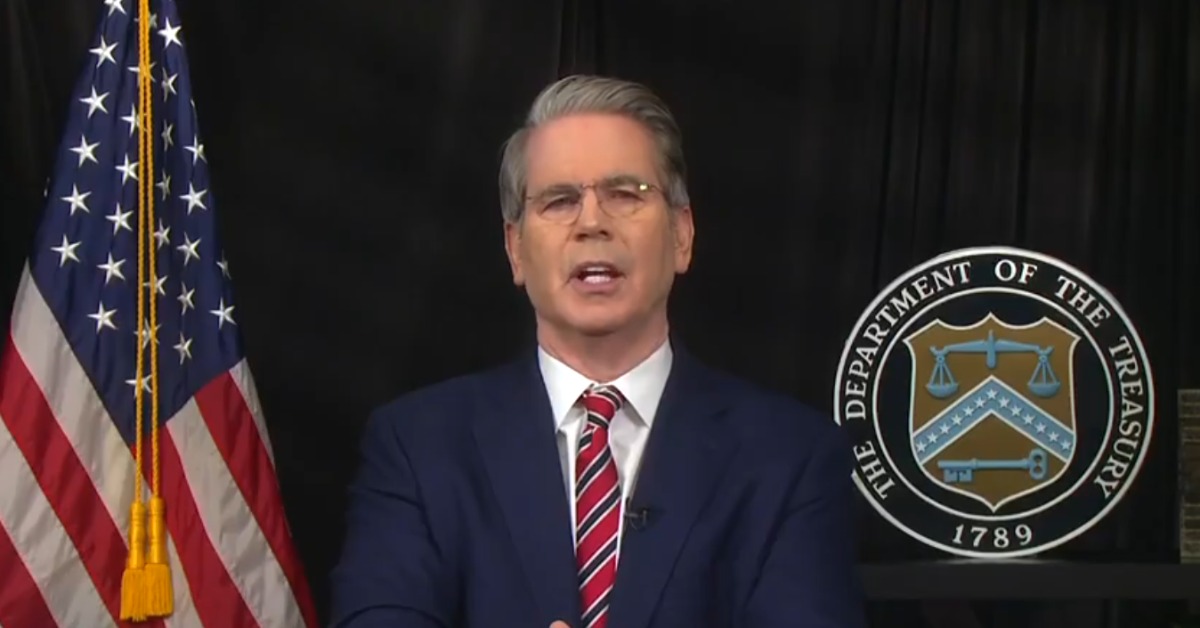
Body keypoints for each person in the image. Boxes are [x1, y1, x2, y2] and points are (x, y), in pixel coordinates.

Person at [328, 74, 866, 628]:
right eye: (559, 201)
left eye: (625, 194)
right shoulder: (418, 447)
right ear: (515, 249)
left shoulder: (790, 457)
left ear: (682, 235)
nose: (591, 222)